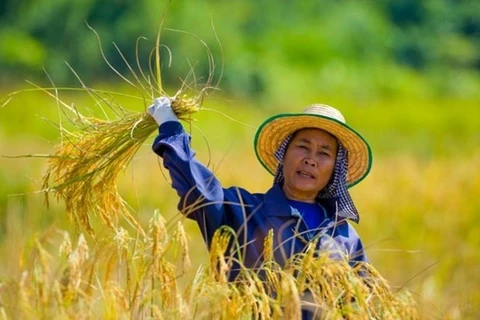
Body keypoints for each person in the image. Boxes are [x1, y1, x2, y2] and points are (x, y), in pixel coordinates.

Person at [148, 97, 372, 282]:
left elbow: (363, 305)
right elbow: (198, 190)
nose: (311, 160)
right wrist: (170, 128)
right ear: (283, 155)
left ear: (335, 168)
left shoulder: (345, 237)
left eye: (324, 153)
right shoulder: (243, 211)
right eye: (303, 147)